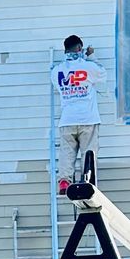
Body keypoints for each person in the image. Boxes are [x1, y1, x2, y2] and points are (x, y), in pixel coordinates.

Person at [50, 35, 101, 190]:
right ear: (79, 48)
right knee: (89, 152)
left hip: (67, 120)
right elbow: (101, 74)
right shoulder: (88, 67)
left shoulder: (56, 71)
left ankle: (64, 181)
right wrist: (91, 56)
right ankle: (88, 181)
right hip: (87, 119)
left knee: (66, 152)